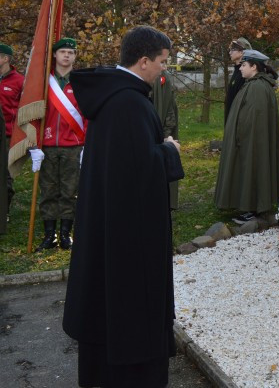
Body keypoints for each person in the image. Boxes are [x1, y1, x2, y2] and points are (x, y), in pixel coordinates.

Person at [63, 26, 183, 388]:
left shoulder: (116, 97)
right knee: (129, 305)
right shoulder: (129, 104)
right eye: (162, 62)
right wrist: (169, 152)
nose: (165, 69)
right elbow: (138, 172)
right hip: (128, 237)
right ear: (144, 61)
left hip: (111, 223)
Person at [214, 48, 279, 224]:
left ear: (254, 67)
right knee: (250, 169)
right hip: (247, 140)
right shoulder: (253, 84)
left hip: (250, 141)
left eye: (244, 65)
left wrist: (239, 138)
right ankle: (250, 206)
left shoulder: (257, 88)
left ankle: (252, 207)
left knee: (253, 169)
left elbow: (252, 120)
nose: (241, 68)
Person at [33, 37, 86, 251]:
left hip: (73, 145)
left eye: (71, 53)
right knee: (48, 191)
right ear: (54, 55)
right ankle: (49, 235)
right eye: (63, 51)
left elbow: (88, 114)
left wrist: (88, 145)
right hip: (47, 145)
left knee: (70, 191)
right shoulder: (43, 82)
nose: (67, 55)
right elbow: (34, 113)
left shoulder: (81, 82)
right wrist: (34, 144)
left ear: (75, 57)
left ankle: (65, 234)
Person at [0, 42, 24, 217]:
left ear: (5, 58)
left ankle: (3, 213)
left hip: (7, 136)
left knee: (5, 177)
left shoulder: (20, 81)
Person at [151, 67, 180, 210]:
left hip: (162, 131)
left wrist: (166, 133)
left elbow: (167, 108)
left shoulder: (162, 78)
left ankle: (166, 201)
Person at [224, 37, 251, 125]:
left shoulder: (246, 74)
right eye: (230, 49)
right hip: (231, 119)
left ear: (242, 52)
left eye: (233, 49)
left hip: (239, 122)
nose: (230, 52)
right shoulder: (237, 70)